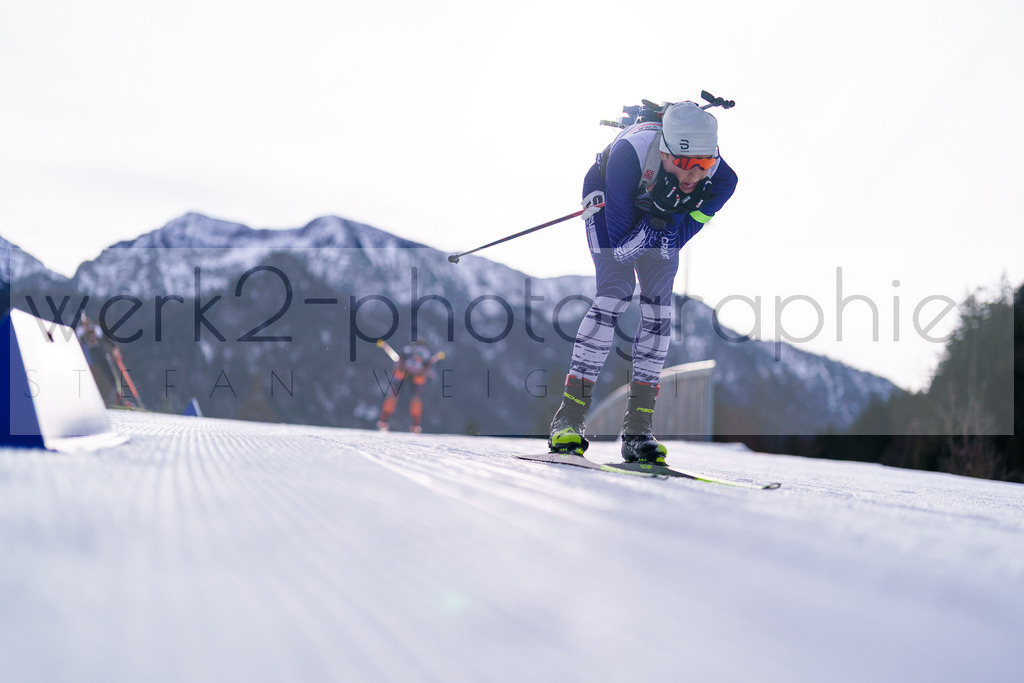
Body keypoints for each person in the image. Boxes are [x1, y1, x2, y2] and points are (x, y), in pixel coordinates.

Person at [548, 100, 738, 463]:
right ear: (664, 150)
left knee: (659, 308)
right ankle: (567, 419)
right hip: (609, 196)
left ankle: (638, 429)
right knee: (616, 292)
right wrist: (659, 217)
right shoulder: (627, 154)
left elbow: (675, 241)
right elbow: (621, 252)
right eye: (683, 164)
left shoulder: (723, 180)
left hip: (658, 218)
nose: (692, 175)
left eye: (703, 164)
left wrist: (665, 217)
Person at [377, 341, 444, 433]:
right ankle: (383, 421)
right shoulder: (406, 354)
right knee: (393, 396)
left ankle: (415, 424)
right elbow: (397, 366)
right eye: (417, 355)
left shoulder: (426, 361)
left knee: (415, 399)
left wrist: (421, 374)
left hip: (416, 378)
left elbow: (426, 373)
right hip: (402, 374)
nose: (418, 358)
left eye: (421, 356)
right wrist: (401, 369)